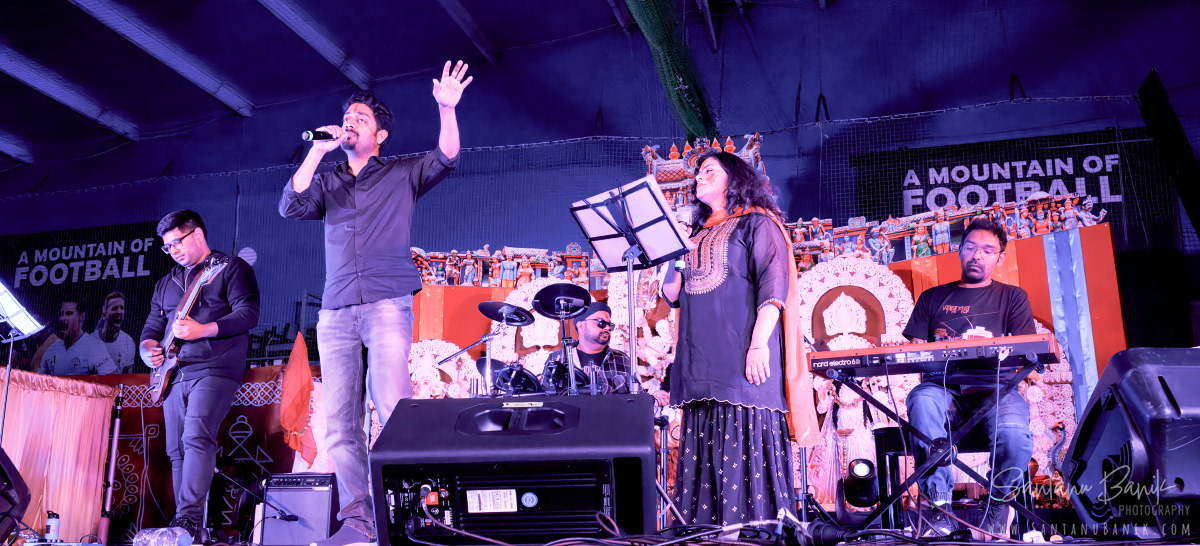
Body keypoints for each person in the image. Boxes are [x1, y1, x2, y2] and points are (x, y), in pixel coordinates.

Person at [278, 60, 471, 546]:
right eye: (347, 117)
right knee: (341, 423)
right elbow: (290, 205)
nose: (350, 122)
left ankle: (417, 514)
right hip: (337, 308)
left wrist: (446, 109)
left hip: (387, 301)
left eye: (360, 118)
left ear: (380, 135)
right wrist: (317, 150)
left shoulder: (402, 173)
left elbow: (447, 156)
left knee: (393, 407)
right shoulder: (329, 180)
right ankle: (358, 521)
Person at [660, 151, 816, 525]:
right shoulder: (694, 234)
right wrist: (676, 248)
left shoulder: (758, 224)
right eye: (697, 173)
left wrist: (759, 344)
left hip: (744, 356)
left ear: (735, 178)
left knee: (743, 439)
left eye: (709, 171)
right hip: (699, 362)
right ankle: (705, 533)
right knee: (703, 443)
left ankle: (754, 531)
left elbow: (773, 288)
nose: (698, 177)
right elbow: (671, 292)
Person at [902, 218, 1036, 538]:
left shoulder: (1012, 297)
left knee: (1015, 436)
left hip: (996, 390)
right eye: (972, 247)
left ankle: (997, 506)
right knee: (921, 401)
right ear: (960, 251)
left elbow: (1028, 351)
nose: (978, 255)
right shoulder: (932, 298)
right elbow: (915, 350)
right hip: (942, 389)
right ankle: (940, 507)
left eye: (988, 250)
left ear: (1000, 258)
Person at [139, 210, 260, 540]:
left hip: (215, 368)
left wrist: (203, 329)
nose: (172, 251)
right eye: (167, 247)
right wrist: (148, 349)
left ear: (198, 235)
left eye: (177, 242)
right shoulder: (165, 283)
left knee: (196, 436)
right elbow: (152, 327)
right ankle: (186, 527)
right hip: (173, 374)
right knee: (176, 450)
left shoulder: (230, 268)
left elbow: (249, 314)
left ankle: (188, 519)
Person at [540, 302, 666, 403]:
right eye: (601, 323)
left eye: (609, 325)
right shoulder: (559, 358)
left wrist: (653, 398)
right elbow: (543, 400)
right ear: (581, 326)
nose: (607, 328)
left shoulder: (622, 359)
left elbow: (636, 400)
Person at [38, 296, 118, 376]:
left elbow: (111, 378)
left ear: (81, 317)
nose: (63, 318)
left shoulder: (94, 347)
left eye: (69, 313)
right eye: (61, 314)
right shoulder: (52, 349)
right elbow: (39, 379)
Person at [93, 291, 137, 373]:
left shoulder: (128, 342)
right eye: (114, 308)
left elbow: (128, 377)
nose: (119, 312)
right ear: (104, 315)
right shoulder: (91, 341)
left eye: (121, 308)